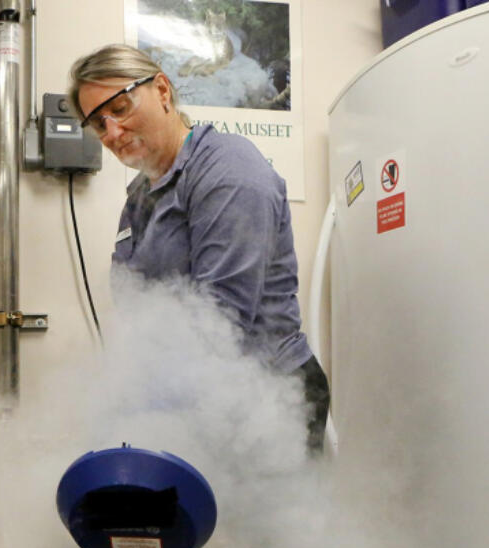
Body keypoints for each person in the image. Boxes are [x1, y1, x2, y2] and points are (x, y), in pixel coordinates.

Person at [68, 43, 329, 454]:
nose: (112, 133)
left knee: (264, 519)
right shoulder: (140, 193)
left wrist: (145, 414)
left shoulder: (227, 168)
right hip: (199, 399)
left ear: (162, 91)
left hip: (270, 398)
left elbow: (219, 321)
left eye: (119, 108)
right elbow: (141, 310)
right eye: (98, 124)